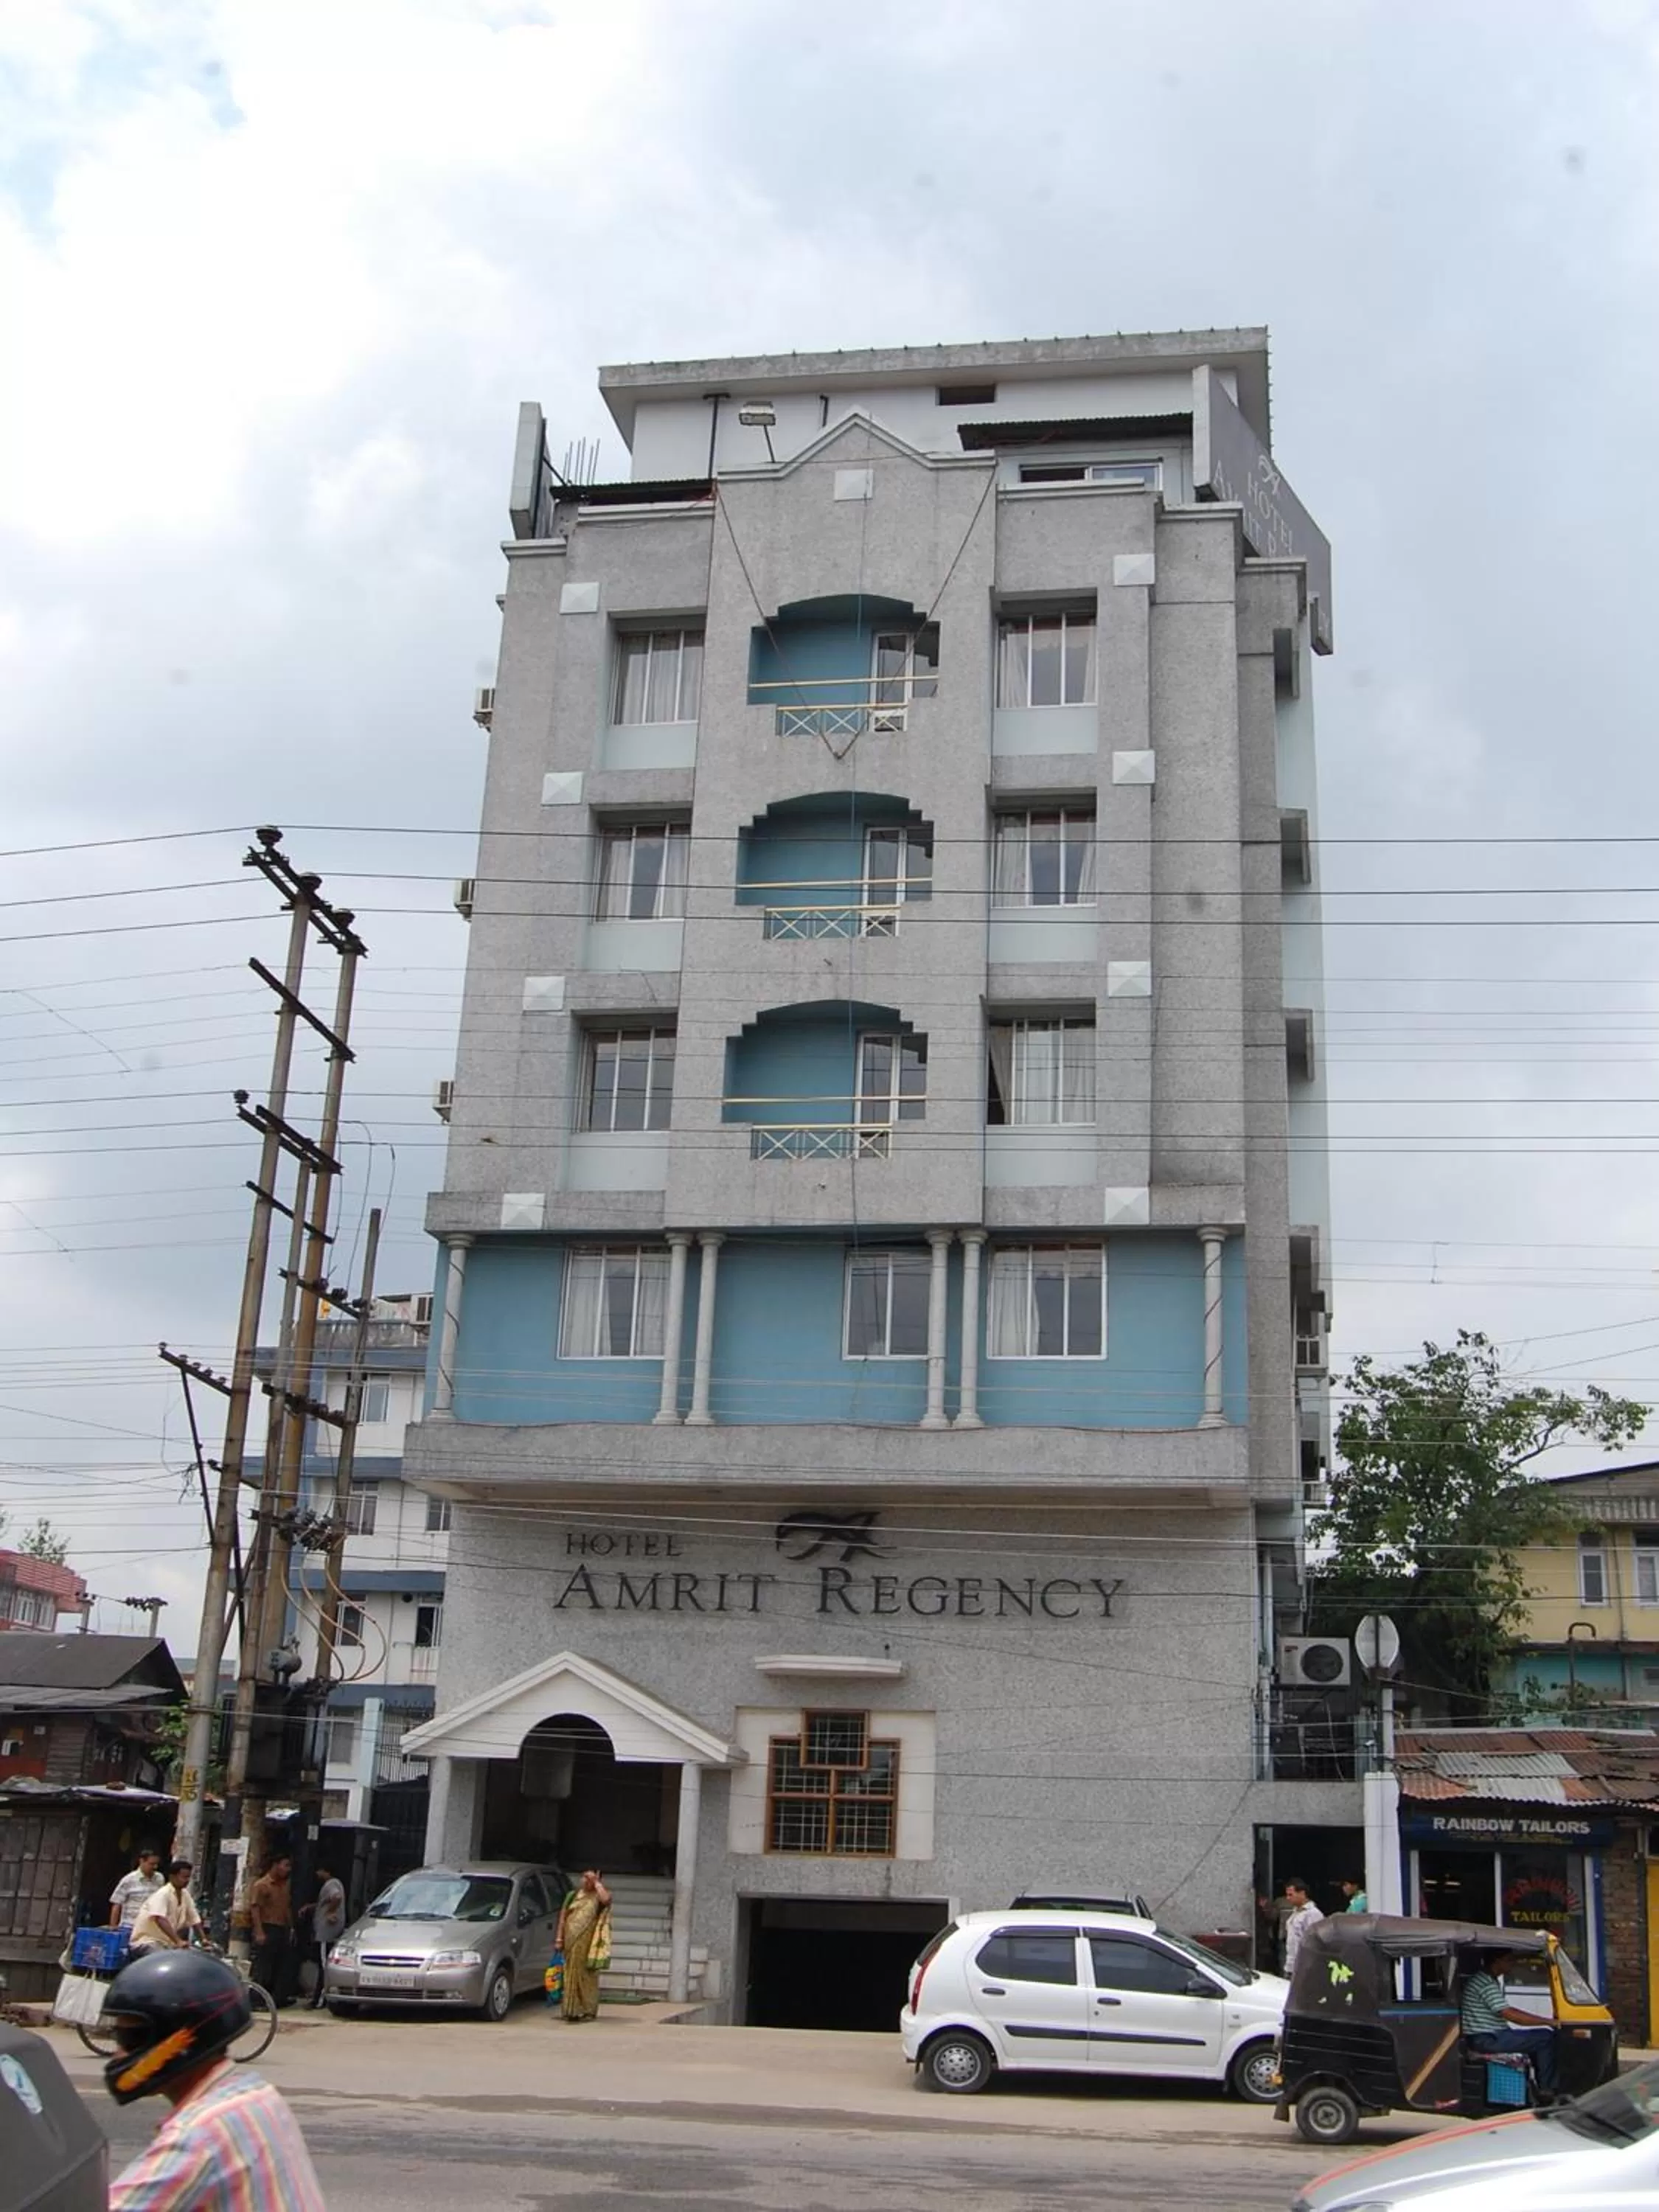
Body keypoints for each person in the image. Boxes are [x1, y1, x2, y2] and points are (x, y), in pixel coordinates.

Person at [102, 1947, 326, 2210]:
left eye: (129, 2039)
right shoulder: (259, 2096)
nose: (118, 2055)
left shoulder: (200, 2135)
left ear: (183, 2038)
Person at [1460, 1948, 1559, 2097]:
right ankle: (1547, 2089)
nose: (1513, 1964)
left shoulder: (1487, 1980)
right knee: (1545, 2038)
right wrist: (1548, 2022)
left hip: (1491, 2035)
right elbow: (1510, 2015)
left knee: (1539, 2037)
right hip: (1487, 2038)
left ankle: (1539, 2085)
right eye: (1509, 1960)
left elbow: (1508, 2011)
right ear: (1497, 1961)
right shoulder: (1485, 1984)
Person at [554, 1868, 612, 2023]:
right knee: (570, 1973)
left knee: (586, 1975)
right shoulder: (572, 1896)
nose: (586, 1881)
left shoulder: (598, 1897)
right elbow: (563, 1918)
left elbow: (606, 1900)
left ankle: (588, 2010)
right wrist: (559, 1938)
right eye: (584, 1877)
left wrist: (597, 1884)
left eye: (589, 1878)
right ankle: (571, 2009)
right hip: (570, 1939)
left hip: (587, 1942)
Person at [248, 1851, 295, 2006]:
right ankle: (256, 2000)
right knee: (263, 1966)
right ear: (275, 1865)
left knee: (281, 1965)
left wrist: (291, 1926)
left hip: (281, 1927)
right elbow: (255, 1909)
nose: (288, 1869)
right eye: (285, 1865)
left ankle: (277, 1999)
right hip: (267, 1926)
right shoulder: (262, 1885)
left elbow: (286, 1906)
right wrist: (259, 1931)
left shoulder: (284, 1885)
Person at [130, 1860, 204, 1954]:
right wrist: (178, 1941)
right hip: (148, 1941)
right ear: (172, 1877)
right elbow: (160, 1919)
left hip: (168, 1943)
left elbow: (195, 1919)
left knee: (194, 1955)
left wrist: (204, 1940)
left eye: (189, 1877)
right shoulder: (163, 1894)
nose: (187, 1880)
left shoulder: (185, 1895)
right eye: (184, 1877)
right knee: (162, 1957)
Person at [302, 1863, 347, 2010]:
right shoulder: (336, 1883)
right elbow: (327, 1901)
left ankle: (319, 1999)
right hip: (328, 1932)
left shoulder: (330, 1884)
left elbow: (336, 1897)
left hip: (326, 1933)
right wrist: (312, 1907)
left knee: (324, 1966)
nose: (317, 1874)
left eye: (319, 1870)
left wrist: (330, 1913)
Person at [110, 1848, 165, 1933]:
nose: (155, 1867)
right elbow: (117, 1903)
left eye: (157, 1864)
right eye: (152, 1864)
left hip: (151, 1927)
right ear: (142, 1861)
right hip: (130, 1926)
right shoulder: (129, 1880)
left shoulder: (160, 1879)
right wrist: (113, 1927)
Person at [1281, 1877, 1324, 1975]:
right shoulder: (1296, 1912)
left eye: (1291, 1895)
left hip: (1305, 1966)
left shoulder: (1313, 1914)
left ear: (1302, 1893)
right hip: (1292, 1964)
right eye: (1287, 1895)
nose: (1288, 1898)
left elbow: (1316, 1941)